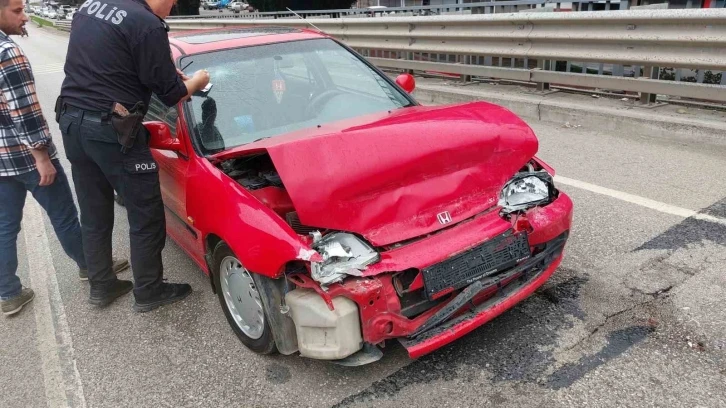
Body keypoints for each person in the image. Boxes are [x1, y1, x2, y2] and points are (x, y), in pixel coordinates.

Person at [57, 0, 210, 312]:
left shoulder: (91, 5)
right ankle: (150, 290)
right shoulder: (146, 23)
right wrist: (199, 80)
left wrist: (164, 70)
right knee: (146, 214)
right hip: (112, 130)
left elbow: (112, 60)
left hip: (72, 122)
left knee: (94, 210)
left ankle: (102, 285)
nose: (175, 4)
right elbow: (171, 95)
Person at [0, 0, 129, 316]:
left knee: (4, 226)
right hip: (27, 155)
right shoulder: (7, 54)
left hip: (1, 159)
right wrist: (42, 155)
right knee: (64, 215)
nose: (25, 16)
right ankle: (91, 266)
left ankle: (8, 293)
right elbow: (26, 112)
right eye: (17, 11)